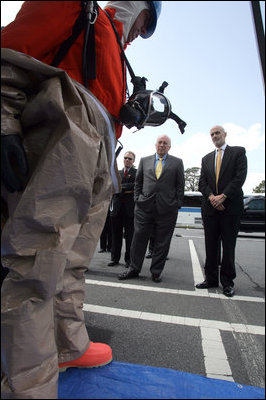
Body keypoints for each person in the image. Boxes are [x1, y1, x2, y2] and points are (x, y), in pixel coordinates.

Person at [1, 1, 162, 398]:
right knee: (37, 262)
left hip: (98, 153)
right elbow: (13, 51)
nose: (142, 32)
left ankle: (68, 344)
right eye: (147, 22)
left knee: (73, 263)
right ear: (137, 6)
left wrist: (128, 111)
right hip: (66, 138)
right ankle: (28, 387)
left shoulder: (116, 54)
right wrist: (3, 118)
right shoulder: (79, 6)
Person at [118, 134, 184, 283]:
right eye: (160, 142)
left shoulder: (177, 163)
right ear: (155, 145)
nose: (162, 145)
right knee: (138, 239)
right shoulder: (144, 160)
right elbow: (138, 183)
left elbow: (180, 186)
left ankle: (156, 272)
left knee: (162, 241)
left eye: (165, 143)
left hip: (167, 209)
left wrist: (177, 204)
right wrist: (137, 199)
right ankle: (134, 269)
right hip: (144, 207)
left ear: (169, 147)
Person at [196, 125, 247, 297]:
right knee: (210, 246)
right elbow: (201, 183)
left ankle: (227, 282)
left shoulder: (238, 152)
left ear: (225, 134)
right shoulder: (206, 158)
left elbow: (239, 178)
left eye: (217, 133)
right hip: (210, 208)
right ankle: (210, 279)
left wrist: (223, 196)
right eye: (212, 134)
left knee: (228, 246)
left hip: (230, 208)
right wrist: (212, 197)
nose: (214, 136)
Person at [108, 151, 137, 267]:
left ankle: (129, 260)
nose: (127, 160)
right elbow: (112, 186)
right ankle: (114, 258)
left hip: (129, 209)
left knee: (130, 236)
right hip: (116, 209)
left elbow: (135, 186)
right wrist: (124, 189)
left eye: (130, 158)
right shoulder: (117, 172)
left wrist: (121, 188)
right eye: (125, 158)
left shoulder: (137, 173)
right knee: (116, 235)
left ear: (133, 161)